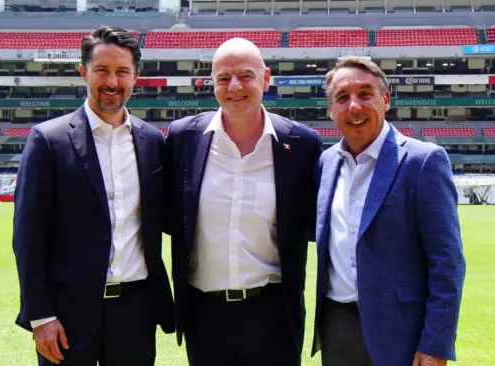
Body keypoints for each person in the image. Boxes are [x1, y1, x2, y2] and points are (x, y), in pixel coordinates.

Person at [12, 25, 174, 366]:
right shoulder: (48, 141)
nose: (112, 82)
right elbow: (28, 237)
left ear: (136, 76)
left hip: (135, 311)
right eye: (102, 70)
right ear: (83, 71)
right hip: (67, 315)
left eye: (122, 72)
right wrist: (40, 317)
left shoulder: (152, 141)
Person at [164, 38, 323, 366]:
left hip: (273, 313)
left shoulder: (302, 144)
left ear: (266, 78)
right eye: (223, 78)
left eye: (245, 75)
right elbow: (167, 215)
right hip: (203, 316)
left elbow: (312, 223)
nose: (234, 86)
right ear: (212, 84)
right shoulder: (183, 138)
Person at [311, 57, 466, 366]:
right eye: (342, 97)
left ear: (385, 99)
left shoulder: (423, 162)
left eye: (365, 94)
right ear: (331, 110)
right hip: (336, 327)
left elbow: (447, 263)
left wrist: (436, 343)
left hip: (402, 332)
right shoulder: (325, 163)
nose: (354, 106)